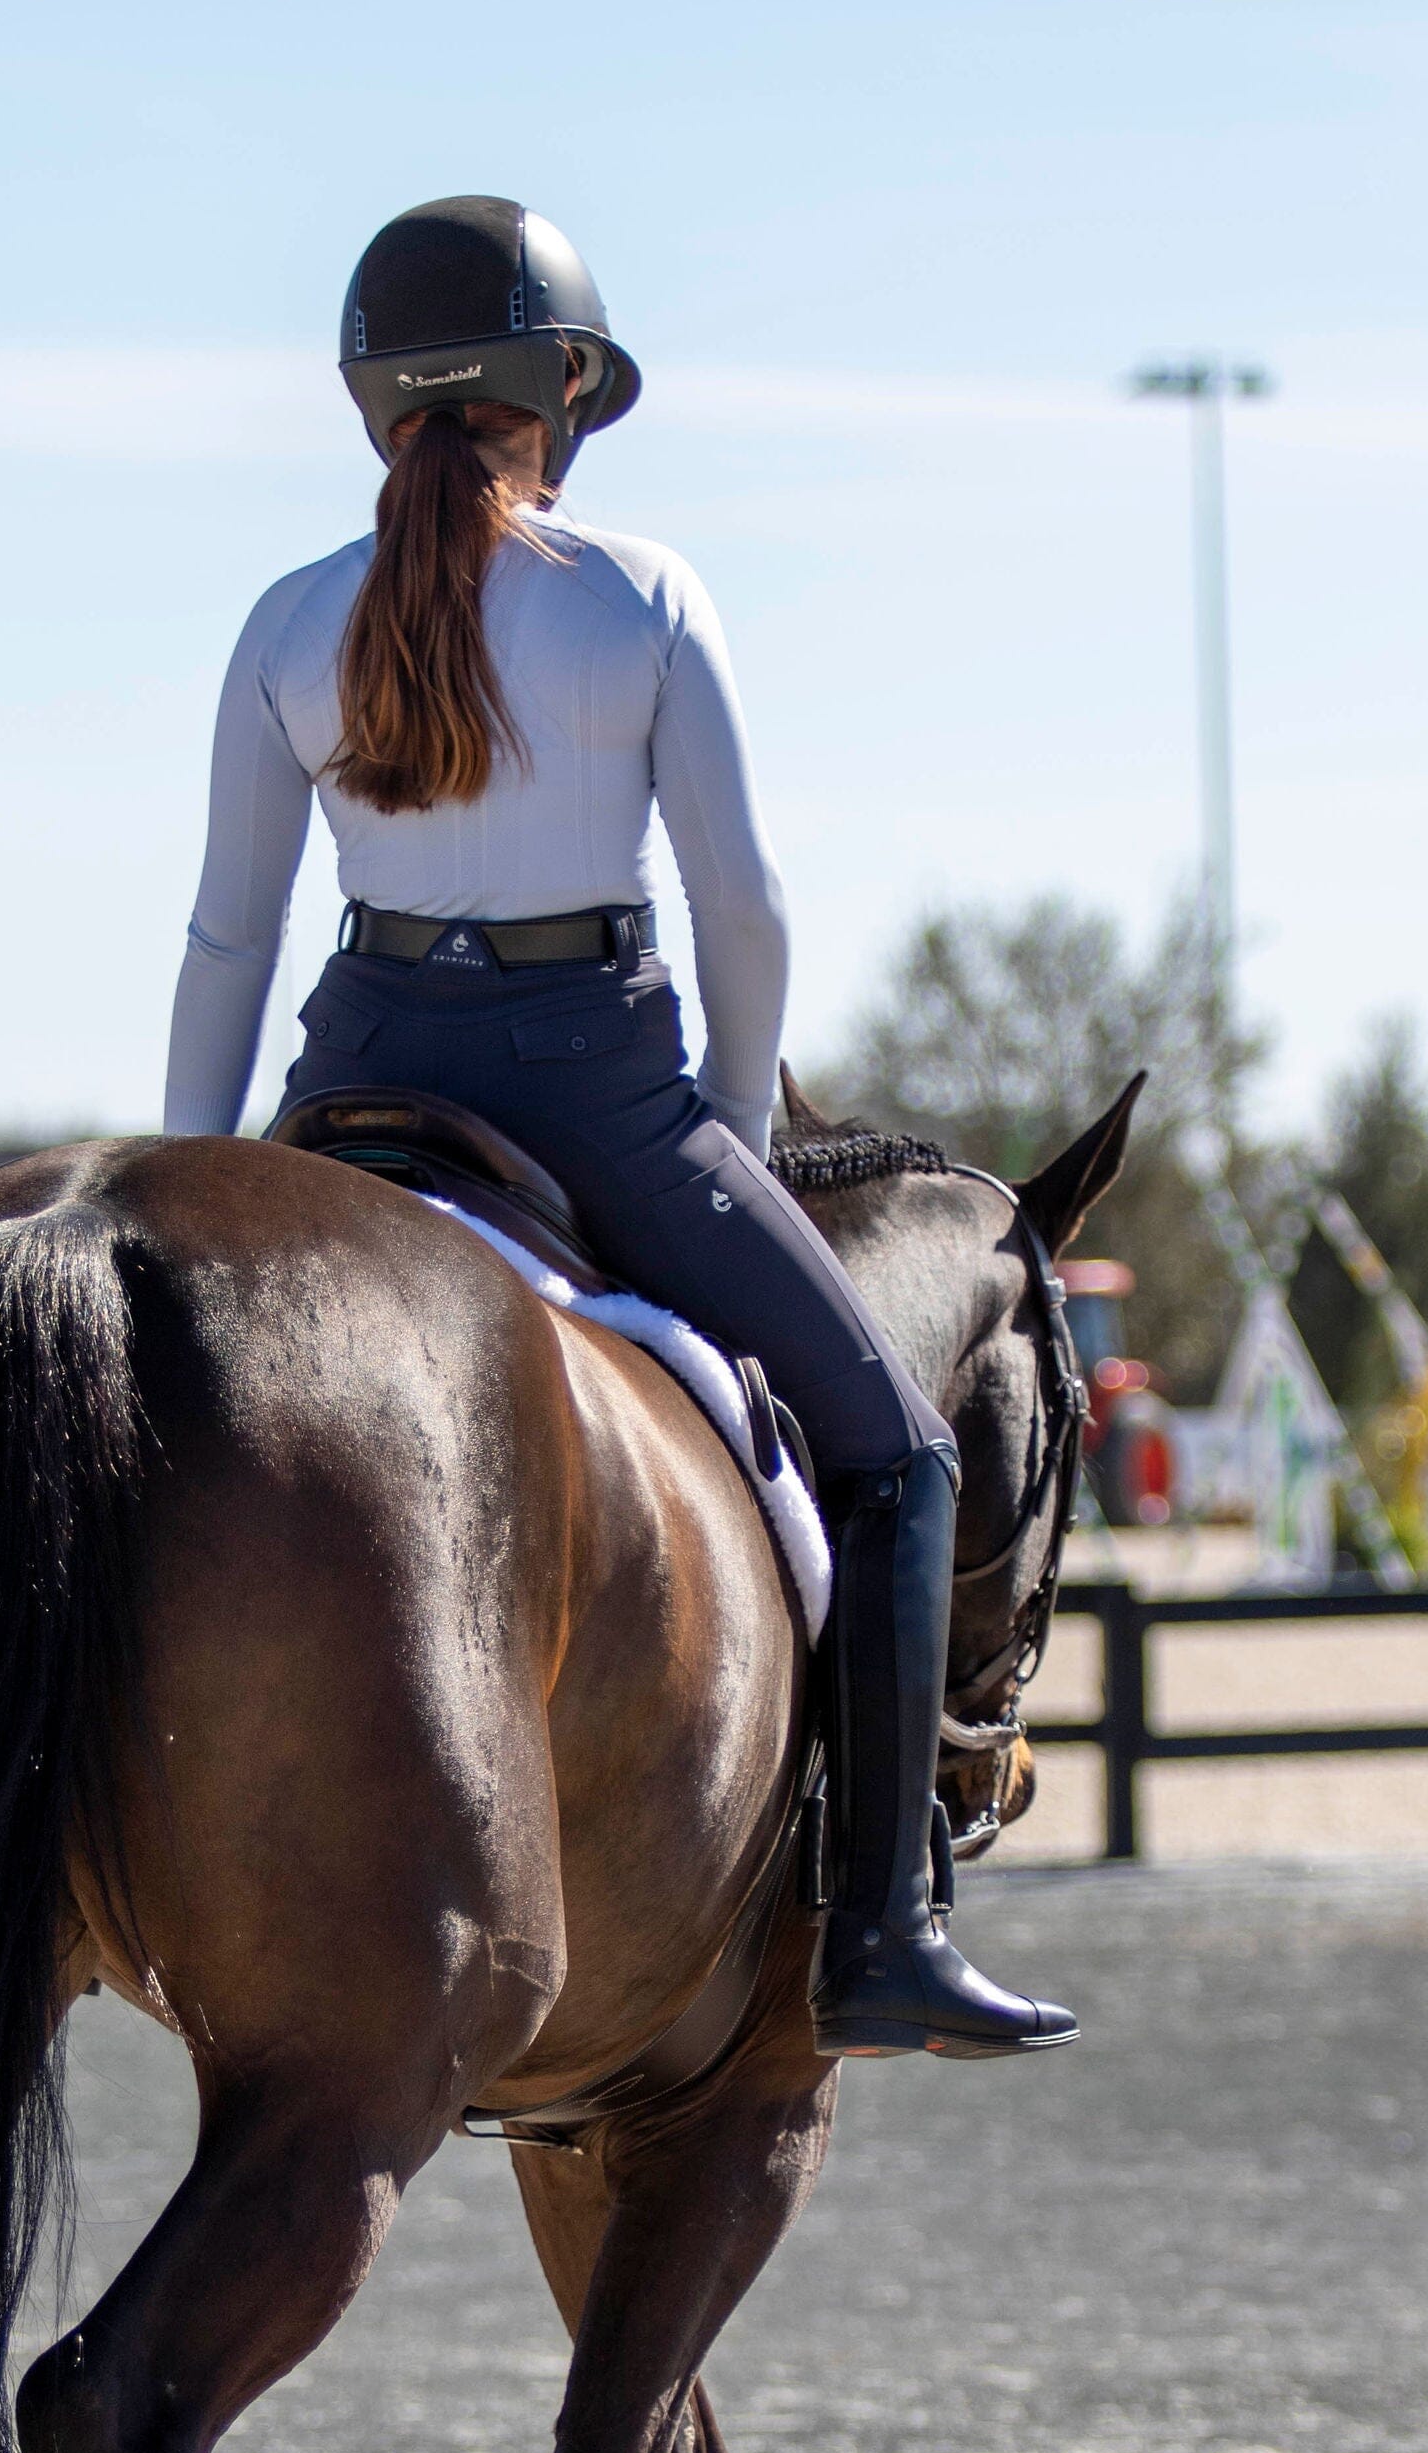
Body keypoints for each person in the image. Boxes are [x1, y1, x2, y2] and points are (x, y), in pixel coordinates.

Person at [164, 194, 1072, 2061]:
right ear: (562, 388)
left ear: (371, 401)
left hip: (350, 1072)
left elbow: (231, 933)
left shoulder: (284, 621)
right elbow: (746, 908)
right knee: (897, 1466)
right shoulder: (639, 595)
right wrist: (726, 1131)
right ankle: (885, 1928)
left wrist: (196, 1177)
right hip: (597, 1086)